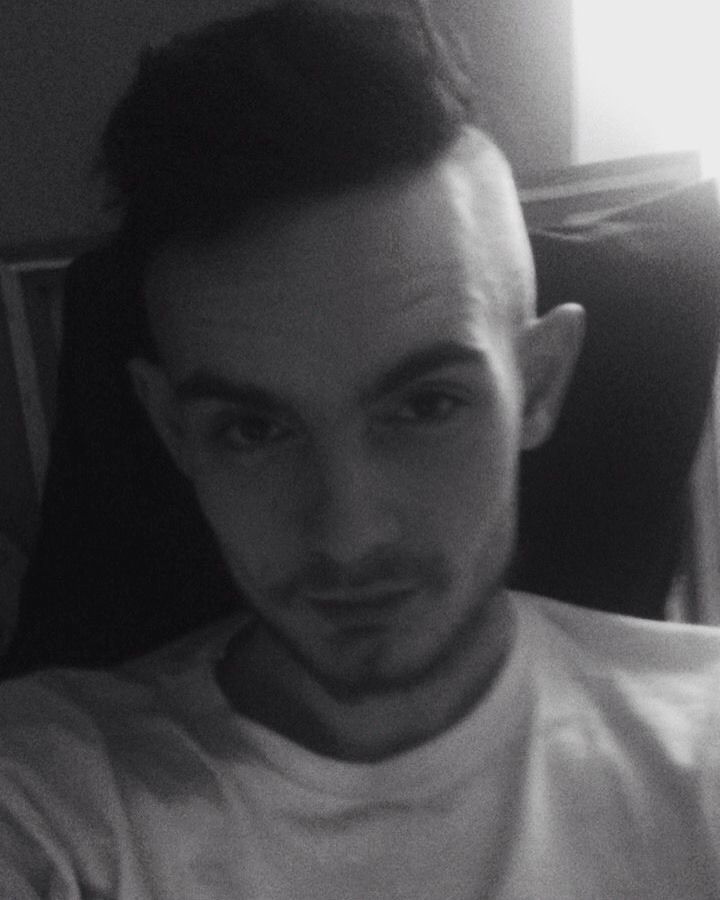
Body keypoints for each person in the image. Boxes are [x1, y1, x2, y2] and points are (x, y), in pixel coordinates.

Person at [2, 2, 720, 897]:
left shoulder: (702, 749)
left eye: (426, 406)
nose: (347, 534)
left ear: (537, 385)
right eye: (253, 430)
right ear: (174, 431)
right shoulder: (56, 791)